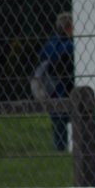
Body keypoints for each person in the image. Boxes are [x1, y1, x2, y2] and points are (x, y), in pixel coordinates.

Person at [35, 12, 75, 151]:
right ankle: (62, 147)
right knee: (63, 117)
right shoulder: (68, 45)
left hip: (52, 87)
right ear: (67, 28)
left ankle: (60, 148)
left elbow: (42, 55)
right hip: (61, 86)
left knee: (58, 119)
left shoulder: (52, 43)